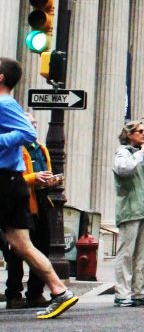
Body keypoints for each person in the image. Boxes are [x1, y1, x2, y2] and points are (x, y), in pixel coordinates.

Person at [0, 57, 78, 319]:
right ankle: (59, 290)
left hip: (5, 181)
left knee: (21, 243)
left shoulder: (4, 103)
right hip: (11, 181)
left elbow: (27, 132)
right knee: (21, 244)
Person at [4, 113, 58, 309]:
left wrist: (51, 181)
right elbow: (14, 178)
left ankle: (35, 293)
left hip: (42, 202)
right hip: (21, 203)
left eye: (35, 123)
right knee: (18, 251)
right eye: (29, 123)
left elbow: (46, 174)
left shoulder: (42, 149)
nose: (33, 126)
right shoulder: (15, 148)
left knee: (42, 247)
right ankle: (14, 294)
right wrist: (35, 177)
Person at [112, 120, 144, 306]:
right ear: (129, 134)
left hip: (143, 210)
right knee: (126, 254)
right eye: (139, 131)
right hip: (129, 210)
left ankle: (139, 292)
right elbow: (124, 170)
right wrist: (141, 154)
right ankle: (121, 294)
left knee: (142, 255)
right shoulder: (123, 153)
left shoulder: (139, 156)